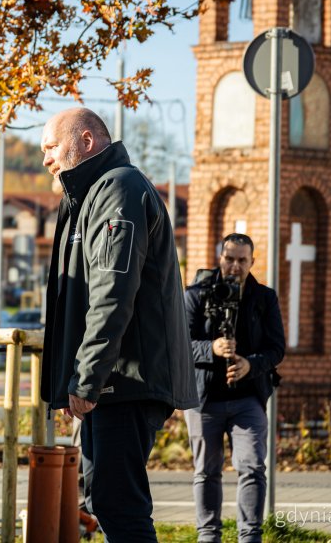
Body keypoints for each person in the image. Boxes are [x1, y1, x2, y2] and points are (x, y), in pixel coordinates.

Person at [39, 107, 198, 542]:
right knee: (105, 501)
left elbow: (112, 294)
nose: (46, 160)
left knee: (118, 503)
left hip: (124, 382)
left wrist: (87, 379)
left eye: (52, 147)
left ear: (86, 141)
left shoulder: (118, 189)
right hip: (113, 382)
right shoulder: (90, 196)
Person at [183, 233, 285, 543]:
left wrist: (250, 364)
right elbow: (179, 345)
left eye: (242, 260)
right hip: (204, 400)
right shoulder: (196, 294)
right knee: (206, 472)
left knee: (253, 466)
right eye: (229, 259)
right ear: (220, 258)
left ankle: (249, 537)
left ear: (252, 262)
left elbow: (276, 348)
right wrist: (211, 348)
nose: (235, 266)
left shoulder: (264, 298)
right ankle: (208, 536)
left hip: (248, 398)